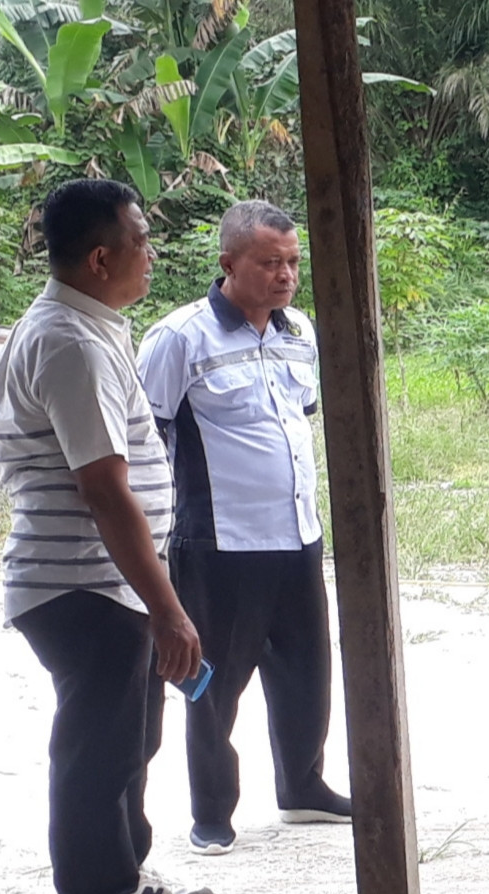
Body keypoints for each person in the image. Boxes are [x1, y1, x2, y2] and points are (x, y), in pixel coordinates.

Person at [0, 179, 212, 894]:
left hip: (107, 579)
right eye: (142, 240)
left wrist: (153, 599)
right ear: (98, 256)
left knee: (132, 735)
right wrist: (169, 607)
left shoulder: (93, 324)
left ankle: (126, 871)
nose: (151, 254)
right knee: (98, 745)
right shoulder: (71, 342)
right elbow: (104, 489)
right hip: (79, 581)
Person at [137, 200, 350, 856]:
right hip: (219, 542)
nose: (284, 275)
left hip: (297, 534)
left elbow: (299, 416)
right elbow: (150, 437)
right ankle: (212, 812)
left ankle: (302, 786)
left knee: (307, 672)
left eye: (291, 262)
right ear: (228, 263)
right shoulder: (179, 338)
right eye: (269, 262)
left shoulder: (299, 332)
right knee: (213, 683)